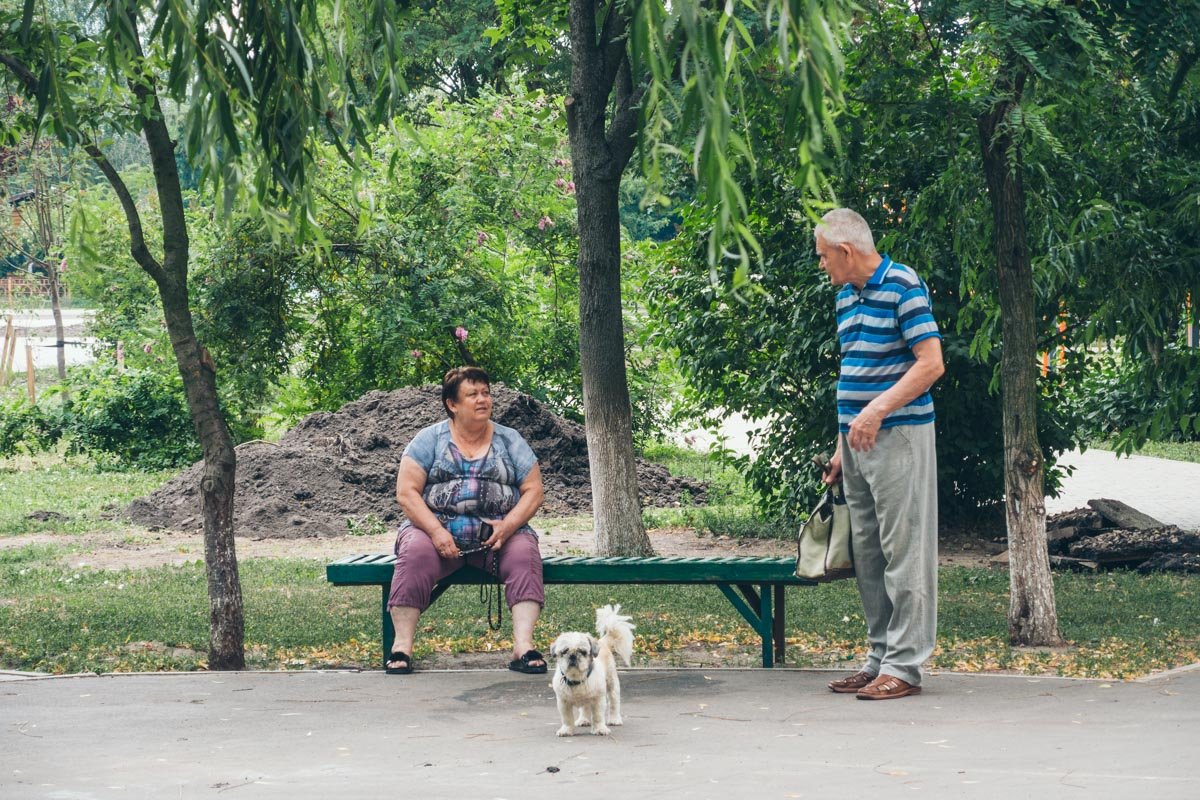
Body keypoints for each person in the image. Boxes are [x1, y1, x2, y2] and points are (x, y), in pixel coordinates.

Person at [815, 208, 945, 700]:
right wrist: (841, 447)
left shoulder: (903, 286)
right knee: (868, 555)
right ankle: (878, 658)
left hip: (900, 437)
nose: (823, 266)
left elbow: (931, 363)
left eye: (825, 257)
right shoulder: (847, 297)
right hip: (859, 445)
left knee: (903, 553)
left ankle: (905, 666)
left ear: (846, 252)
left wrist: (877, 411)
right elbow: (856, 374)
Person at [384, 366, 547, 675]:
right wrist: (435, 531)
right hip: (436, 536)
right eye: (472, 394)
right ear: (453, 404)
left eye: (486, 393)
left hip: (499, 538)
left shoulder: (510, 440)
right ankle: (401, 648)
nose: (482, 399)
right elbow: (406, 493)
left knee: (525, 552)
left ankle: (523, 647)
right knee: (415, 553)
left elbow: (534, 491)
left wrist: (508, 526)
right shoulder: (428, 440)